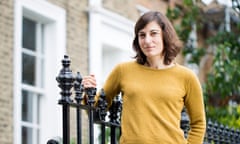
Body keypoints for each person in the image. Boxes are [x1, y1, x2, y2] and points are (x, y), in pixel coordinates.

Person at [83, 11, 206, 144]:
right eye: (142, 35)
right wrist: (88, 93)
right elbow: (97, 111)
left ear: (165, 35)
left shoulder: (187, 77)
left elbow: (198, 123)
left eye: (153, 33)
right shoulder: (123, 71)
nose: (147, 40)